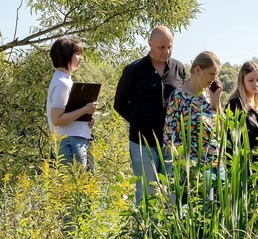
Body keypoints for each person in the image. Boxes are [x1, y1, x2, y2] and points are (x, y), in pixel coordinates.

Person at [114, 26, 186, 206]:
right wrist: (140, 120)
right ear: (150, 43)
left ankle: (170, 232)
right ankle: (145, 233)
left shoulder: (178, 69)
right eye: (161, 47)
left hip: (172, 143)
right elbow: (119, 104)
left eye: (169, 47)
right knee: (146, 193)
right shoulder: (133, 70)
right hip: (142, 142)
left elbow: (184, 102)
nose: (166, 51)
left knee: (172, 193)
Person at [163, 51, 224, 198]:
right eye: (211, 73)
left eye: (216, 74)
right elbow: (168, 137)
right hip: (196, 168)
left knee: (219, 215)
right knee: (203, 213)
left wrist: (217, 103)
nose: (214, 79)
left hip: (217, 164)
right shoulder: (179, 97)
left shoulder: (210, 95)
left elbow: (223, 130)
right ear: (197, 70)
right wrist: (186, 168)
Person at [46, 37, 97, 170]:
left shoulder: (65, 80)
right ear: (66, 55)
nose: (81, 58)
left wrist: (85, 120)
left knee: (83, 187)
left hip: (75, 140)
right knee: (76, 187)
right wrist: (85, 110)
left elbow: (67, 114)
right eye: (77, 54)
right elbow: (57, 119)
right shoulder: (62, 82)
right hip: (70, 142)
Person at [226, 61, 258, 159]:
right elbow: (229, 140)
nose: (255, 84)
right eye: (250, 80)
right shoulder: (235, 104)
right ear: (242, 81)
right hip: (243, 164)